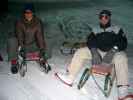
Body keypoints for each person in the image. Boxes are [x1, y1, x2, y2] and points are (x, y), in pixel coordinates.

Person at [56, 10, 131, 100]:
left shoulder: (117, 29)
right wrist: (94, 51)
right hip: (98, 52)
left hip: (113, 53)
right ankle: (70, 77)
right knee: (80, 52)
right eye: (101, 17)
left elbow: (123, 42)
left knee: (122, 58)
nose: (103, 19)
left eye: (106, 17)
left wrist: (113, 50)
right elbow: (90, 40)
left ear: (109, 18)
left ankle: (123, 92)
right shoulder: (95, 30)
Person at [7, 3, 48, 74]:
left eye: (29, 12)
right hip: (22, 45)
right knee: (12, 40)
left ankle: (42, 59)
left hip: (33, 44)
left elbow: (39, 36)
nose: (28, 14)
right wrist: (21, 48)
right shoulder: (19, 22)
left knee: (48, 39)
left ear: (33, 13)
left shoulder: (38, 22)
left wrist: (42, 49)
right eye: (26, 12)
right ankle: (14, 62)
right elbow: (19, 36)